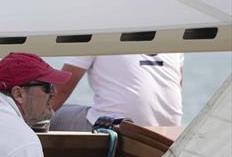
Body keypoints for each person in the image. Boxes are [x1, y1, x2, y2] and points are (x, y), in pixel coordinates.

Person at [49, 54, 184, 131]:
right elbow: (178, 85)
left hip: (119, 127)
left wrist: (30, 121)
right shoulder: (169, 30)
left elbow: (62, 89)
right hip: (170, 130)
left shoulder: (95, 28)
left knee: (50, 115)